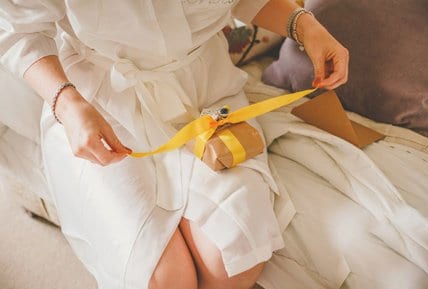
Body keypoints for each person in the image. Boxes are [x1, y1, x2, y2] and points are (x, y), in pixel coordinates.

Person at [0, 1, 348, 288]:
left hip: (206, 94)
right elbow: (18, 31)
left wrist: (305, 26)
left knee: (232, 261)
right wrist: (67, 103)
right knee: (164, 278)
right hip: (98, 102)